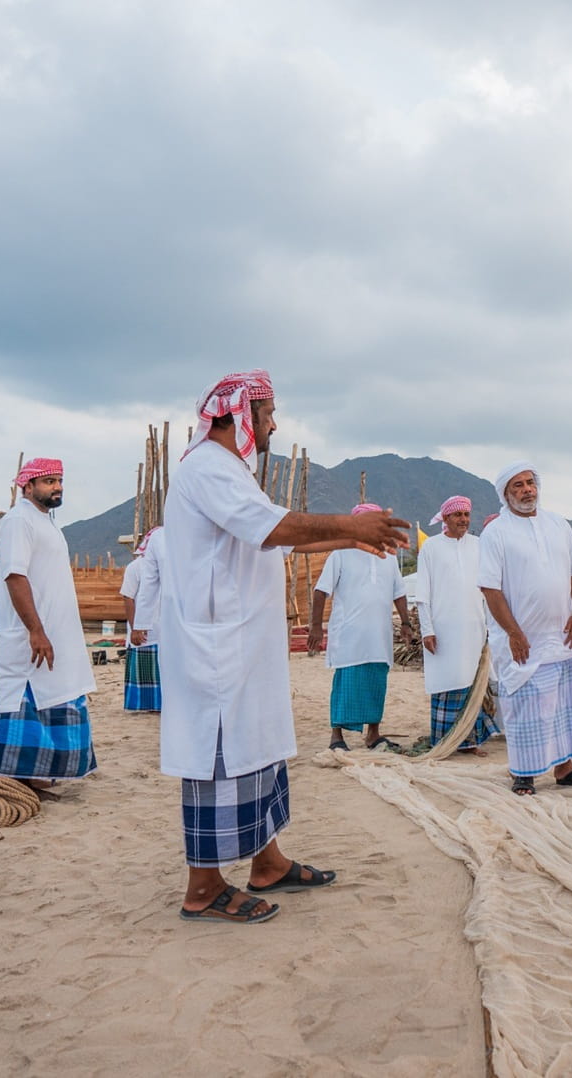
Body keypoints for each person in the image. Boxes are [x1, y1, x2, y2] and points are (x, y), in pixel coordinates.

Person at [159, 369, 409, 924]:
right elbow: (273, 529)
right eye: (267, 412)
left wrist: (354, 537)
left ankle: (267, 862)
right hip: (217, 649)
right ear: (236, 415)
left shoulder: (231, 472)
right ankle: (202, 888)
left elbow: (269, 534)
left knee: (260, 748)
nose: (273, 422)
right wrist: (349, 525)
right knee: (221, 757)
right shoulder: (207, 469)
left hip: (247, 646)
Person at [478, 461, 572, 795]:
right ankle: (524, 772)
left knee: (562, 704)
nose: (527, 490)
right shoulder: (496, 532)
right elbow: (490, 588)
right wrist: (514, 632)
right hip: (523, 640)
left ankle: (565, 767)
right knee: (526, 707)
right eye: (518, 485)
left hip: (560, 636)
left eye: (530, 483)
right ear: (505, 494)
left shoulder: (558, 524)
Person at [0, 458, 97, 793]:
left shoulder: (46, 522)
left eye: (59, 481)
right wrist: (36, 630)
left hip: (58, 635)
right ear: (27, 486)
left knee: (59, 696)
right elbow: (15, 576)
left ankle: (44, 776)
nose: (57, 487)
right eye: (48, 481)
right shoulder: (18, 520)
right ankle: (24, 782)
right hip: (30, 637)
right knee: (29, 705)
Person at [311, 504, 415, 752]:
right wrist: (315, 627)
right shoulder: (340, 553)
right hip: (349, 635)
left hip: (379, 635)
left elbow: (399, 593)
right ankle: (336, 736)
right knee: (345, 682)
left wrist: (407, 623)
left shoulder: (389, 557)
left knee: (377, 681)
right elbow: (321, 590)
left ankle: (373, 735)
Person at [416, 495, 499, 754]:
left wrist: (490, 625)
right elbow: (422, 593)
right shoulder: (431, 547)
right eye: (457, 515)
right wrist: (427, 630)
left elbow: (489, 588)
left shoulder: (479, 545)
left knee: (471, 682)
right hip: (442, 629)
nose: (463, 520)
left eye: (466, 515)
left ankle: (470, 741)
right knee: (448, 681)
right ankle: (444, 741)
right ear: (446, 518)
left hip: (474, 626)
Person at [122, 527, 165, 711]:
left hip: (164, 629)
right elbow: (128, 597)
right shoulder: (135, 567)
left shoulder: (169, 564)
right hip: (144, 628)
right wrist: (135, 627)